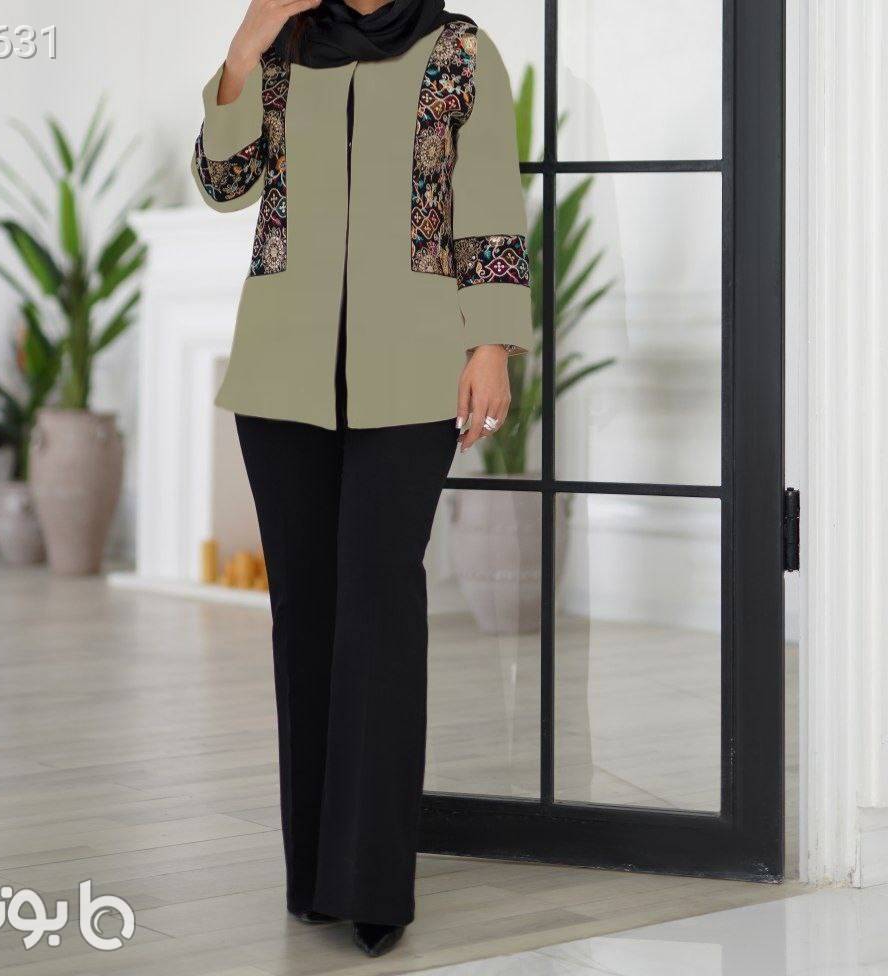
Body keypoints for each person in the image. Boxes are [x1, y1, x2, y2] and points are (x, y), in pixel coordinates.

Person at [192, 0, 532, 957]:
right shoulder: (287, 48)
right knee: (304, 616)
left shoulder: (459, 49)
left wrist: (492, 343)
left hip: (414, 374)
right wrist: (244, 47)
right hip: (281, 377)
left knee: (379, 610)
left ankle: (373, 881)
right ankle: (313, 877)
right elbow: (224, 183)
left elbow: (490, 201)